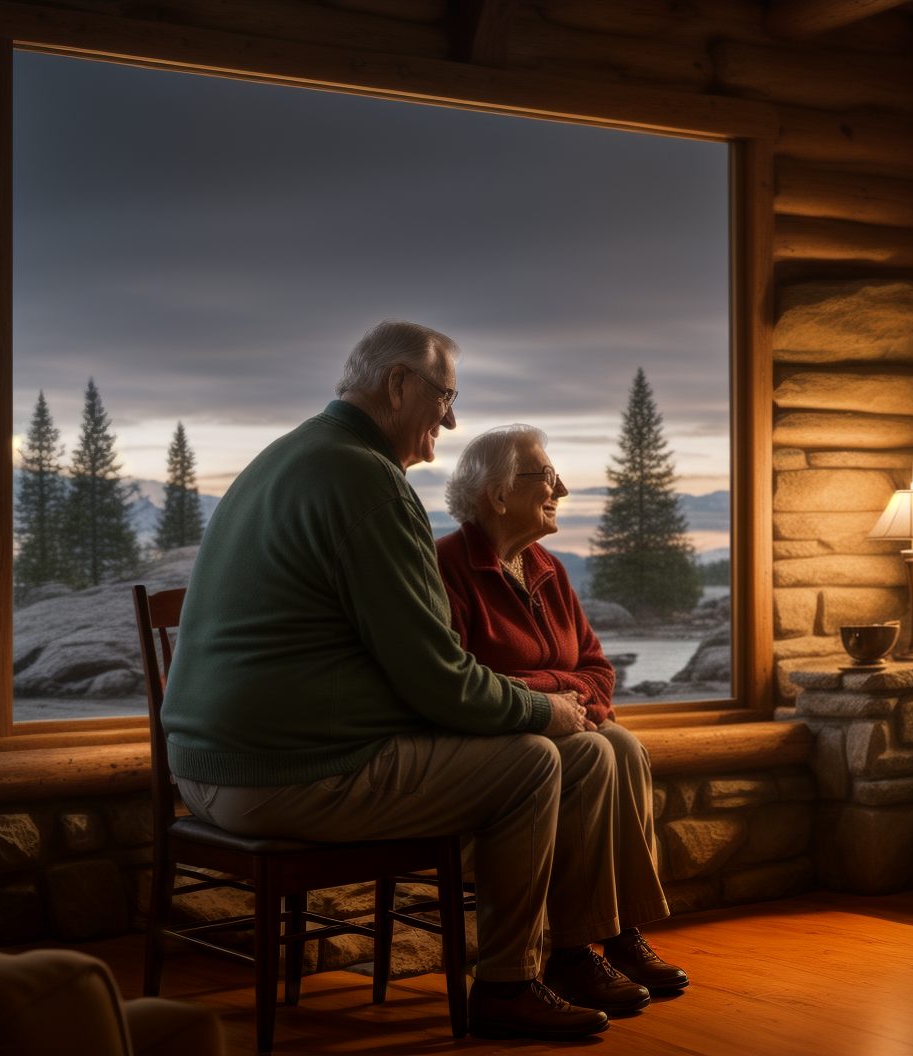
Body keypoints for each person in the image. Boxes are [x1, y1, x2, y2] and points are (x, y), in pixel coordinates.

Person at [160, 320, 615, 1041]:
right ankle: (507, 985)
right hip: (286, 774)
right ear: (399, 384)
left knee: (573, 751)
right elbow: (437, 678)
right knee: (532, 764)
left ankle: (574, 953)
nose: (454, 418)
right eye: (446, 396)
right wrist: (543, 711)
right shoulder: (368, 481)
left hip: (202, 770)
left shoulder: (288, 457)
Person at [435, 425, 689, 1013]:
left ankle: (618, 932)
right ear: (498, 495)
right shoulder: (447, 567)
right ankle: (574, 952)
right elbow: (459, 684)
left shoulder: (546, 566)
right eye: (547, 477)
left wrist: (560, 696)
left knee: (623, 744)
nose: (563, 488)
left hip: (555, 732)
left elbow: (599, 671)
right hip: (497, 752)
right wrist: (553, 695)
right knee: (601, 751)